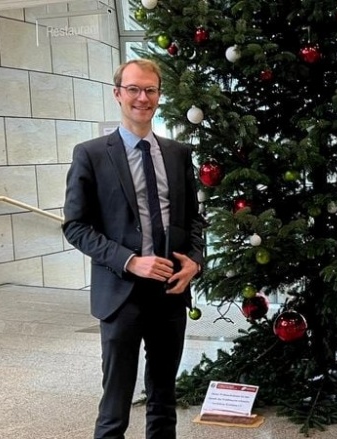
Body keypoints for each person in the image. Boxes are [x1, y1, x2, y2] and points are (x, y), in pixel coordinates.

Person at [63, 58, 205, 439]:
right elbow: (75, 226)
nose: (142, 98)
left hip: (170, 291)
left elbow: (194, 220)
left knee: (163, 399)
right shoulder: (91, 154)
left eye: (150, 90)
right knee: (115, 405)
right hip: (120, 294)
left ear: (159, 95)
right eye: (134, 89)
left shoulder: (177, 154)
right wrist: (130, 261)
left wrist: (195, 261)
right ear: (117, 94)